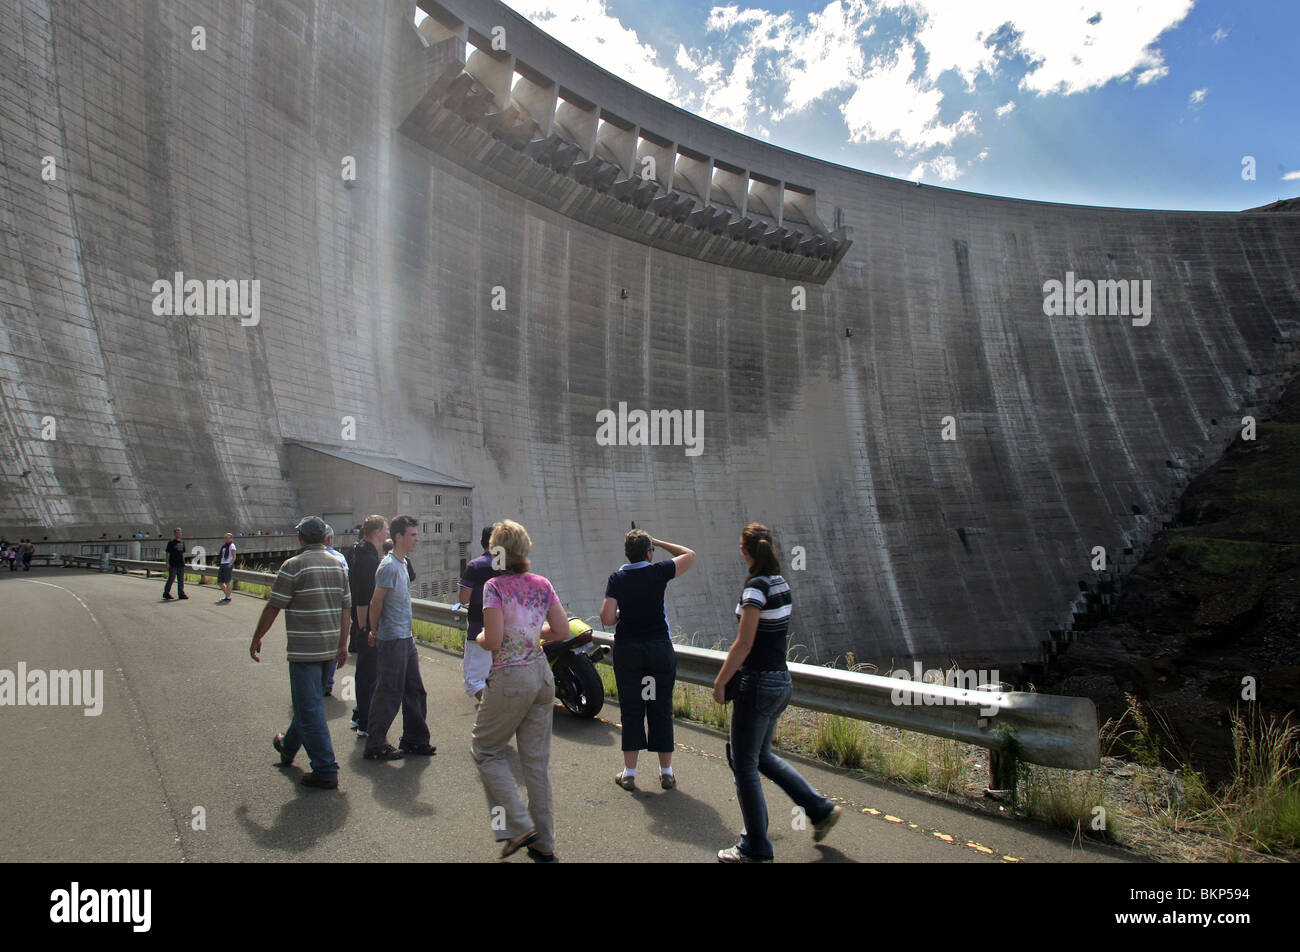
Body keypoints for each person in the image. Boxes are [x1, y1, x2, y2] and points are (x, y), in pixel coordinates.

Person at [712, 523, 841, 862]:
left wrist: (721, 680)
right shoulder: (780, 583)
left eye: (740, 546)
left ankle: (755, 846)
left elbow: (744, 643)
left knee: (744, 765)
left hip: (757, 684)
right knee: (763, 758)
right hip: (780, 681)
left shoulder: (755, 588)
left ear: (746, 551)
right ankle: (819, 809)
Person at [473, 520, 569, 861]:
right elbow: (561, 630)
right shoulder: (542, 584)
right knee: (536, 764)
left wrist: (482, 638)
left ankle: (518, 825)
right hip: (542, 677)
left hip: (511, 678)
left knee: (486, 750)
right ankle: (543, 842)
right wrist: (530, 633)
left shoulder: (493, 587)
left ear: (497, 551)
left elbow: (494, 640)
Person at [249, 516, 351, 790]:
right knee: (310, 703)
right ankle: (287, 747)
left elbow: (274, 606)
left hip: (304, 652)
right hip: (329, 650)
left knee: (309, 708)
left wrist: (258, 637)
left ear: (302, 538)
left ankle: (326, 769)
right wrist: (343, 645)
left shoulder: (293, 566)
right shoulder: (338, 565)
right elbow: (345, 609)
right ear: (324, 538)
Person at [601, 529, 694, 790]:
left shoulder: (617, 578)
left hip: (629, 652)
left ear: (627, 554)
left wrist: (622, 612)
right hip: (658, 650)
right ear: (649, 553)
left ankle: (629, 773)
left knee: (632, 709)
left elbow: (608, 618)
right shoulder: (658, 571)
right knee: (660, 707)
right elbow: (689, 555)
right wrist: (660, 542)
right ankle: (667, 773)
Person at [363, 515, 435, 761]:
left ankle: (415, 739)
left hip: (406, 636)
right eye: (412, 534)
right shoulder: (389, 566)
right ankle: (375, 744)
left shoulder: (403, 564)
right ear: (398, 537)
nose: (417, 538)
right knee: (389, 691)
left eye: (416, 534)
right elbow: (376, 601)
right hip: (392, 638)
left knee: (415, 689)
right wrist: (374, 631)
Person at [347, 515, 387, 737]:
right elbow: (363, 596)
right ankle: (365, 722)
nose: (388, 532)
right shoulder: (367, 558)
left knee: (367, 672)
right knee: (368, 674)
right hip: (366, 624)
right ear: (377, 531)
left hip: (362, 622)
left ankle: (359, 714)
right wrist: (366, 628)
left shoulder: (360, 551)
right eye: (386, 528)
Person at [457, 526, 503, 701]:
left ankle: (494, 714)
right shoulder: (509, 566)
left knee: (474, 680)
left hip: (480, 629)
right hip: (506, 629)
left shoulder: (475, 565)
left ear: (482, 542)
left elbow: (463, 598)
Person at [320, 526, 348, 697]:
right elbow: (346, 584)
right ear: (330, 539)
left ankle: (317, 680)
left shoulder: (304, 558)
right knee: (333, 646)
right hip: (336, 607)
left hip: (317, 607)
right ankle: (328, 681)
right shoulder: (340, 558)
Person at [162, 528, 187, 600]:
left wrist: (184, 562)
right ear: (174, 534)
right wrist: (167, 563)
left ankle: (181, 594)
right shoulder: (171, 542)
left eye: (180, 533)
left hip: (180, 564)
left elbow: (182, 553)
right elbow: (168, 553)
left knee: (181, 580)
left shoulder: (182, 542)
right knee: (171, 579)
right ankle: (166, 593)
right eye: (177, 533)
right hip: (173, 564)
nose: (179, 534)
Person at [216, 533, 236, 603]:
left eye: (228, 538)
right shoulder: (224, 546)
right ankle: (227, 595)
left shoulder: (232, 546)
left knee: (228, 581)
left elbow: (234, 557)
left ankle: (227, 597)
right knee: (220, 582)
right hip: (222, 563)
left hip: (228, 564)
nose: (226, 539)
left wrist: (230, 564)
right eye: (225, 538)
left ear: (231, 538)